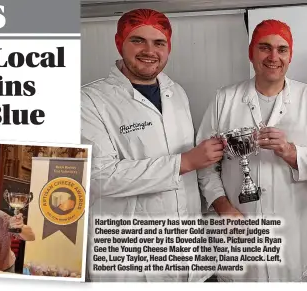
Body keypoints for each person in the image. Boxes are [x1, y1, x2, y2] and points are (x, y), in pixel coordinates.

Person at [80, 8, 223, 282]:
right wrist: (185, 162)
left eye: (159, 43)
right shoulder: (89, 101)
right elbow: (98, 177)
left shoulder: (176, 92)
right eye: (138, 40)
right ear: (119, 42)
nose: (149, 50)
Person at [196, 19, 307, 282]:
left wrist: (290, 151)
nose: (273, 57)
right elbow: (205, 164)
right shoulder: (223, 100)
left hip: (292, 228)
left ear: (290, 55)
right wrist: (224, 208)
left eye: (282, 49)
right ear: (251, 53)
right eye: (265, 48)